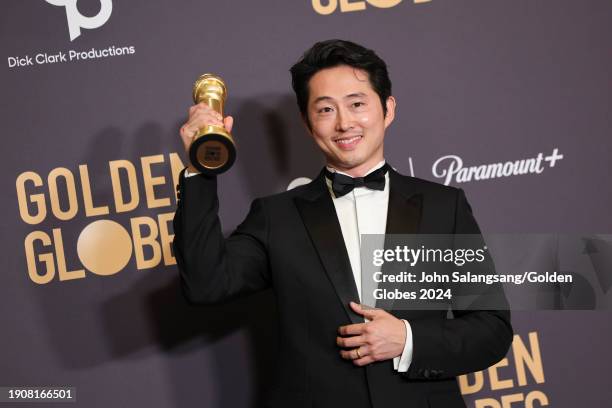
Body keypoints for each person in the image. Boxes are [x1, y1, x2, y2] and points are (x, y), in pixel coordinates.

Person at [173, 39, 513, 408]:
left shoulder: (443, 206)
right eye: (325, 109)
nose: (344, 123)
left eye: (356, 104)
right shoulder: (276, 217)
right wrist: (199, 169)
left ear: (388, 109)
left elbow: (491, 329)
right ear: (306, 123)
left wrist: (407, 339)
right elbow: (206, 283)